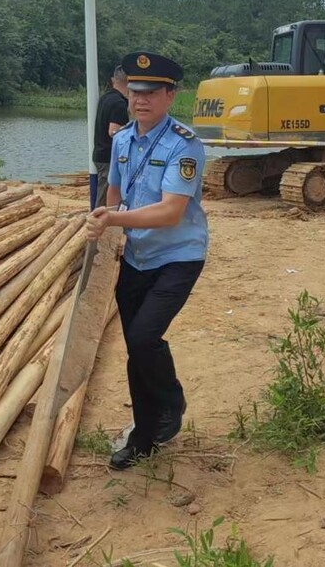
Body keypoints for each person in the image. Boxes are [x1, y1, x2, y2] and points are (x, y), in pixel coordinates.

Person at [86, 51, 208, 470]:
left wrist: (114, 218)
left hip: (178, 256)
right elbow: (114, 194)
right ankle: (145, 433)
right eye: (136, 91)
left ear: (170, 95)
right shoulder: (122, 141)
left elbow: (172, 210)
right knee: (138, 348)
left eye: (152, 92)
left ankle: (169, 405)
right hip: (135, 257)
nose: (141, 100)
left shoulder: (185, 145)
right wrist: (107, 223)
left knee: (142, 338)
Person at [92, 66, 130, 208]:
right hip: (109, 156)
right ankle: (100, 223)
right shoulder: (119, 104)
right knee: (105, 197)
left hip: (100, 152)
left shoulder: (105, 98)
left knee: (105, 192)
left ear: (113, 80)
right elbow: (113, 131)